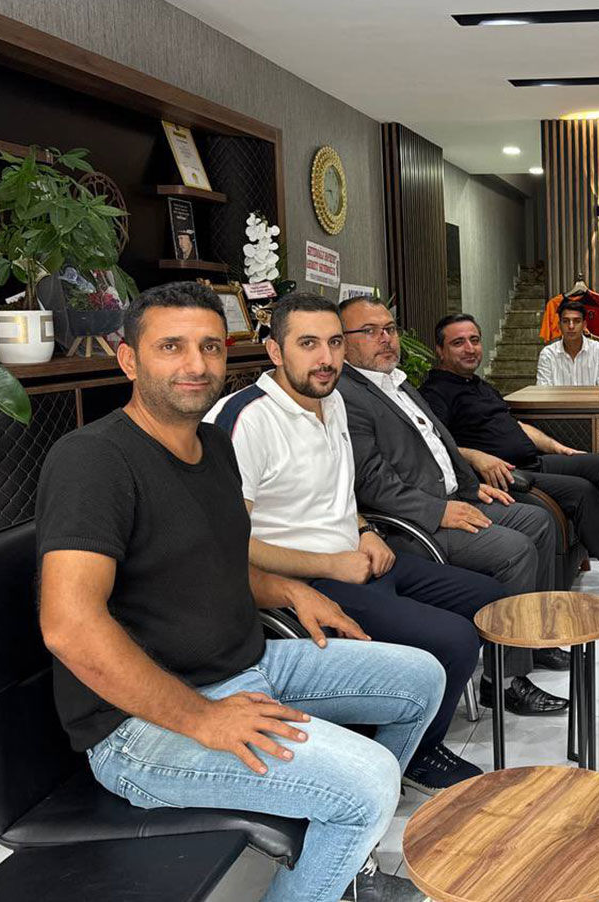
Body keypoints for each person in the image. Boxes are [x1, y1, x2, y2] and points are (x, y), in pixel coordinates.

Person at [37, 282, 441, 902]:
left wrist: (290, 591)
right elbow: (69, 625)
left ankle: (336, 858)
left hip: (245, 665)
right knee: (369, 782)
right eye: (170, 347)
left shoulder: (215, 446)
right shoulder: (93, 459)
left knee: (421, 680)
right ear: (129, 360)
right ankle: (339, 842)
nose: (195, 364)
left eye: (210, 347)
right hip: (141, 725)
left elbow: (211, 562)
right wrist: (202, 718)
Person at [205, 295, 554, 797]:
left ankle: (418, 722)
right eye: (308, 344)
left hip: (358, 556)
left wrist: (366, 530)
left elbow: (339, 494)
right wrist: (333, 563)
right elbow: (226, 545)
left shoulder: (332, 401)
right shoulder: (245, 419)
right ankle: (413, 753)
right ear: (275, 351)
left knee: (491, 601)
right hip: (301, 581)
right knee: (455, 638)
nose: (325, 358)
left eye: (334, 343)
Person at [336, 295, 571, 716]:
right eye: (369, 331)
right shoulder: (347, 395)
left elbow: (441, 445)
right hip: (411, 524)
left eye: (389, 329)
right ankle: (504, 681)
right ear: (343, 341)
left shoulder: (398, 382)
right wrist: (440, 510)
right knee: (514, 550)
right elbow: (370, 480)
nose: (385, 338)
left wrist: (470, 487)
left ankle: (531, 639)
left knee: (539, 521)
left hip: (453, 498)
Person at [421, 313, 599, 609]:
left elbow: (515, 426)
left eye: (474, 340)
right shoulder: (436, 392)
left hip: (532, 461)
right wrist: (476, 456)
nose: (470, 348)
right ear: (440, 350)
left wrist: (558, 448)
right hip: (505, 476)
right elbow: (433, 442)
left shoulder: (478, 384)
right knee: (582, 491)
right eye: (458, 343)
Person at [536, 297, 599, 386]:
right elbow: (543, 390)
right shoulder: (548, 354)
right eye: (566, 321)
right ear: (559, 325)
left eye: (577, 321)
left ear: (584, 325)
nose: (571, 326)